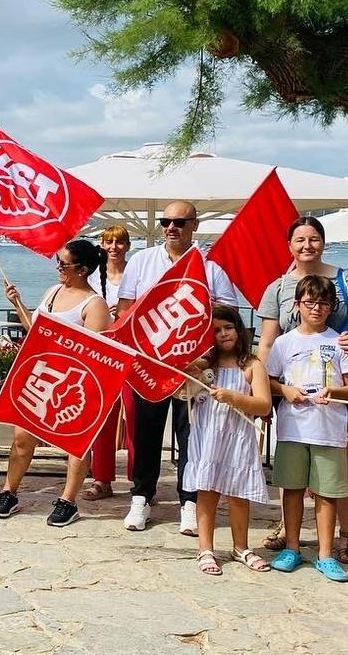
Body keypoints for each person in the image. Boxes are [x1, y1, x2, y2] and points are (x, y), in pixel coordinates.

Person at [256, 216, 348, 565]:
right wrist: (266, 390)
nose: (307, 245)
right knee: (292, 461)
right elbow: (268, 342)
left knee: (342, 456)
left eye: (314, 239)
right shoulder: (278, 289)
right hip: (293, 388)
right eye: (300, 239)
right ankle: (289, 530)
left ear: (323, 243)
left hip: (340, 385)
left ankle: (346, 535)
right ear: (289, 245)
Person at [115, 200, 238, 534]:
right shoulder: (141, 261)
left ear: (194, 225)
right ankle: (141, 496)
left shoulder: (211, 270)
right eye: (167, 222)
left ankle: (189, 502)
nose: (172, 227)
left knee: (190, 438)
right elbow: (125, 312)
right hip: (150, 368)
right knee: (146, 434)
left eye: (180, 222)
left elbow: (229, 322)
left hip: (193, 370)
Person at [0, 240, 110, 526]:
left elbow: (93, 353)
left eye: (63, 263)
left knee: (75, 443)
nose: (57, 267)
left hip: (70, 383)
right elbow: (35, 331)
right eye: (57, 261)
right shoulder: (52, 291)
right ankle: (10, 491)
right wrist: (17, 303)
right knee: (21, 437)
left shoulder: (95, 304)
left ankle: (68, 500)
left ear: (82, 270)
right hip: (40, 374)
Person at [265, 275, 348, 583]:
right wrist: (284, 390)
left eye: (322, 303)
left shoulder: (340, 341)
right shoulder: (284, 342)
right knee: (291, 489)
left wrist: (333, 392)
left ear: (331, 307)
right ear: (297, 305)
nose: (316, 309)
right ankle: (292, 547)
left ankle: (325, 554)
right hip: (293, 429)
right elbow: (268, 381)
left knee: (326, 493)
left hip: (329, 429)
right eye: (309, 302)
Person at [182, 306, 272, 575]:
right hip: (207, 434)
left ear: (239, 329)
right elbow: (181, 390)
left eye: (228, 328)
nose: (223, 334)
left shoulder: (253, 365)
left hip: (238, 438)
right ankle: (205, 548)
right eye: (216, 330)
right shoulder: (204, 365)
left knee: (238, 492)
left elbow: (263, 405)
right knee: (206, 491)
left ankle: (240, 546)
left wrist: (235, 397)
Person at [83, 225, 136, 502]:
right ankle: (102, 478)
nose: (114, 246)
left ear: (127, 245)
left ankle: (139, 480)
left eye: (119, 242)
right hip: (102, 354)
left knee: (136, 416)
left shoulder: (136, 273)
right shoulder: (91, 279)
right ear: (102, 245)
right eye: (108, 241)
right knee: (103, 418)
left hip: (132, 353)